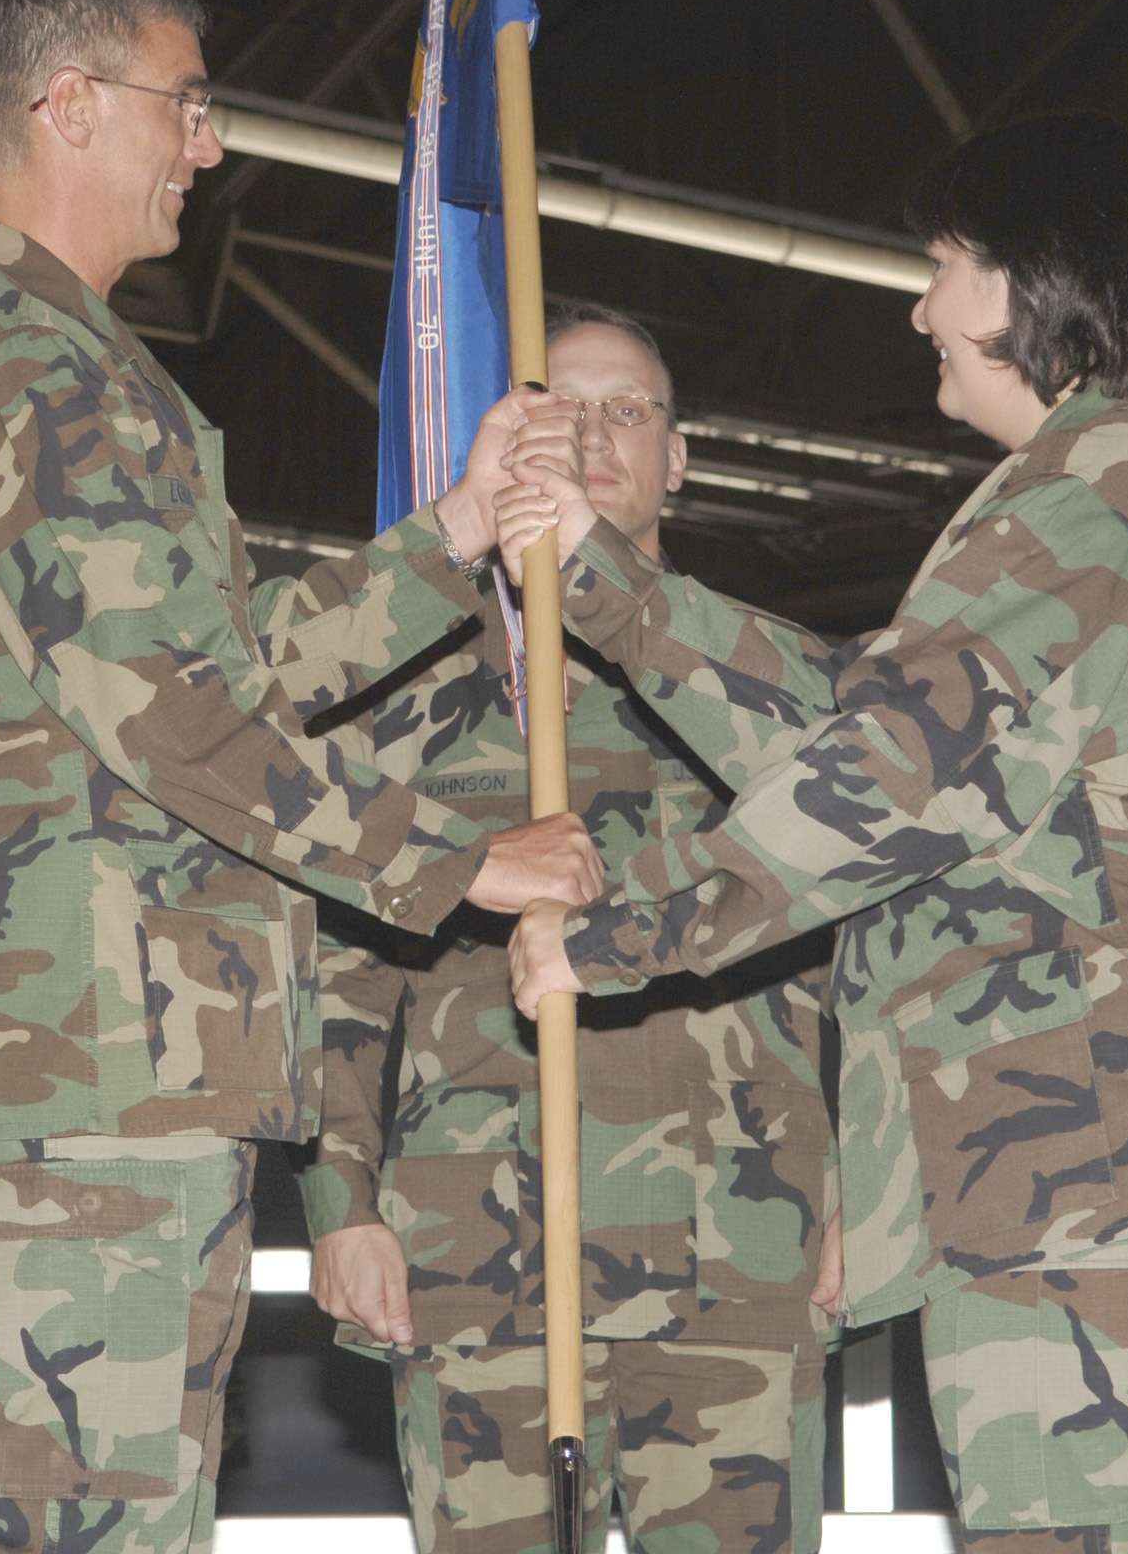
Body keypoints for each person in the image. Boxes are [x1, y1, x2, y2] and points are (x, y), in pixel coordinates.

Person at [507, 114, 1128, 1554]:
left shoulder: (1097, 484)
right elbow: (865, 714)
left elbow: (893, 776)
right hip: (1074, 1158)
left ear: (1040, 280)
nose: (919, 308)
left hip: (1103, 1155)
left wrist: (611, 940)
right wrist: (605, 589)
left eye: (944, 267)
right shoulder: (1093, 490)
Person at [0, 0, 602, 1554]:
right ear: (69, 105)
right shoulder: (32, 371)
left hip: (110, 1066)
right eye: (185, 105)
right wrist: (459, 857)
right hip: (79, 1076)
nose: (209, 145)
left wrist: (453, 531)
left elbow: (212, 665)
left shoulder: (66, 370)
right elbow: (181, 719)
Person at [302, 304, 845, 1554]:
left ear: (679, 458)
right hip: (482, 1262)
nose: (595, 435)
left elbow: (860, 949)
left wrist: (867, 1185)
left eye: (629, 410)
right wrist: (341, 1202)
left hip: (735, 1256)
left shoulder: (764, 689)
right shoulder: (412, 709)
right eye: (562, 409)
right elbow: (339, 977)